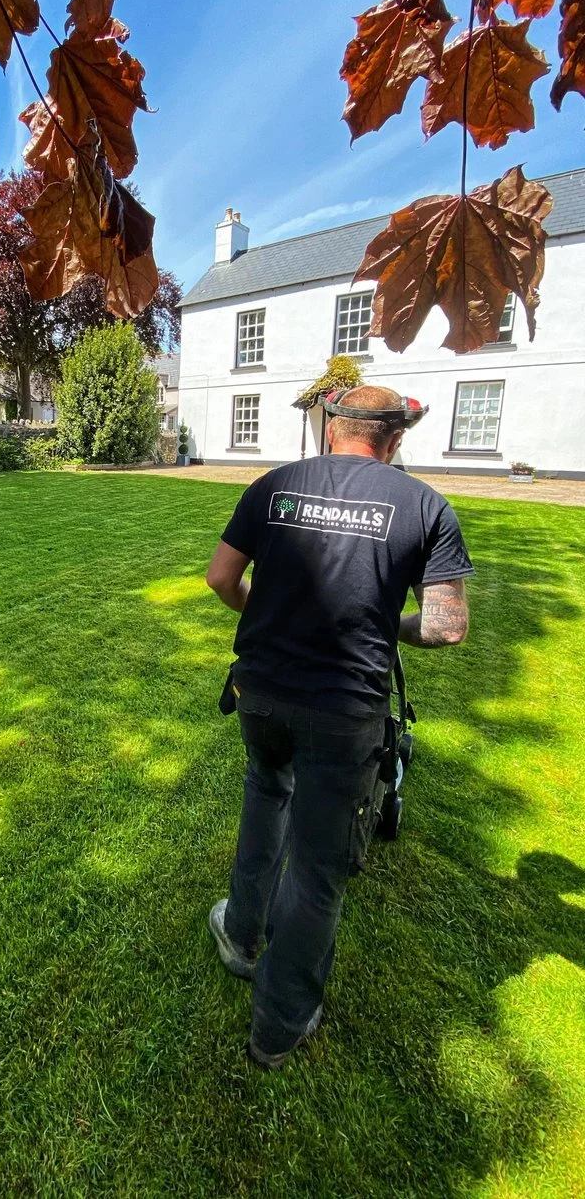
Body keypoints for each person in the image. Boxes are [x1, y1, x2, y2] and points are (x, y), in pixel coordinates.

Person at [204, 384, 473, 1070]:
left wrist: (263, 607)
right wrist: (392, 628)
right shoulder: (425, 507)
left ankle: (240, 936)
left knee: (265, 793)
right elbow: (447, 626)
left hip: (259, 690)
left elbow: (220, 578)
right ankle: (279, 1022)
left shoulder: (274, 486)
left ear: (331, 430)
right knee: (319, 868)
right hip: (344, 709)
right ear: (394, 440)